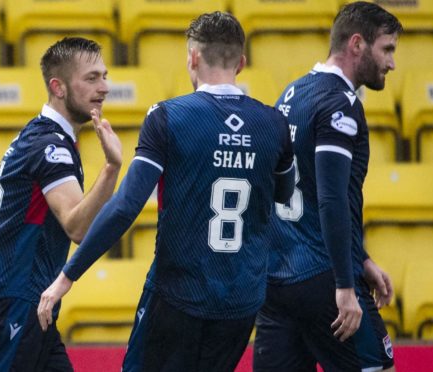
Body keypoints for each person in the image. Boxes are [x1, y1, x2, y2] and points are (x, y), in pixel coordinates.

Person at [37, 11, 295, 372]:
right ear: (241, 62)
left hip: (178, 296)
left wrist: (67, 276)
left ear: (192, 58)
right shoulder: (275, 124)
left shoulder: (169, 117)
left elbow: (127, 206)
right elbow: (284, 196)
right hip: (241, 302)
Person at [0, 37, 122, 371]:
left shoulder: (34, 137)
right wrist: (111, 169)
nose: (105, 87)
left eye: (105, 76)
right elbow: (77, 227)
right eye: (92, 78)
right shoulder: (49, 147)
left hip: (24, 305)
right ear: (58, 86)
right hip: (17, 306)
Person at [253, 2, 403, 372]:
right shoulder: (340, 104)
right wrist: (346, 284)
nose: (392, 63)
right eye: (387, 49)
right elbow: (332, 199)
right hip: (324, 278)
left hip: (276, 280)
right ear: (357, 44)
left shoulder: (292, 93)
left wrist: (363, 258)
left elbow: (297, 187)